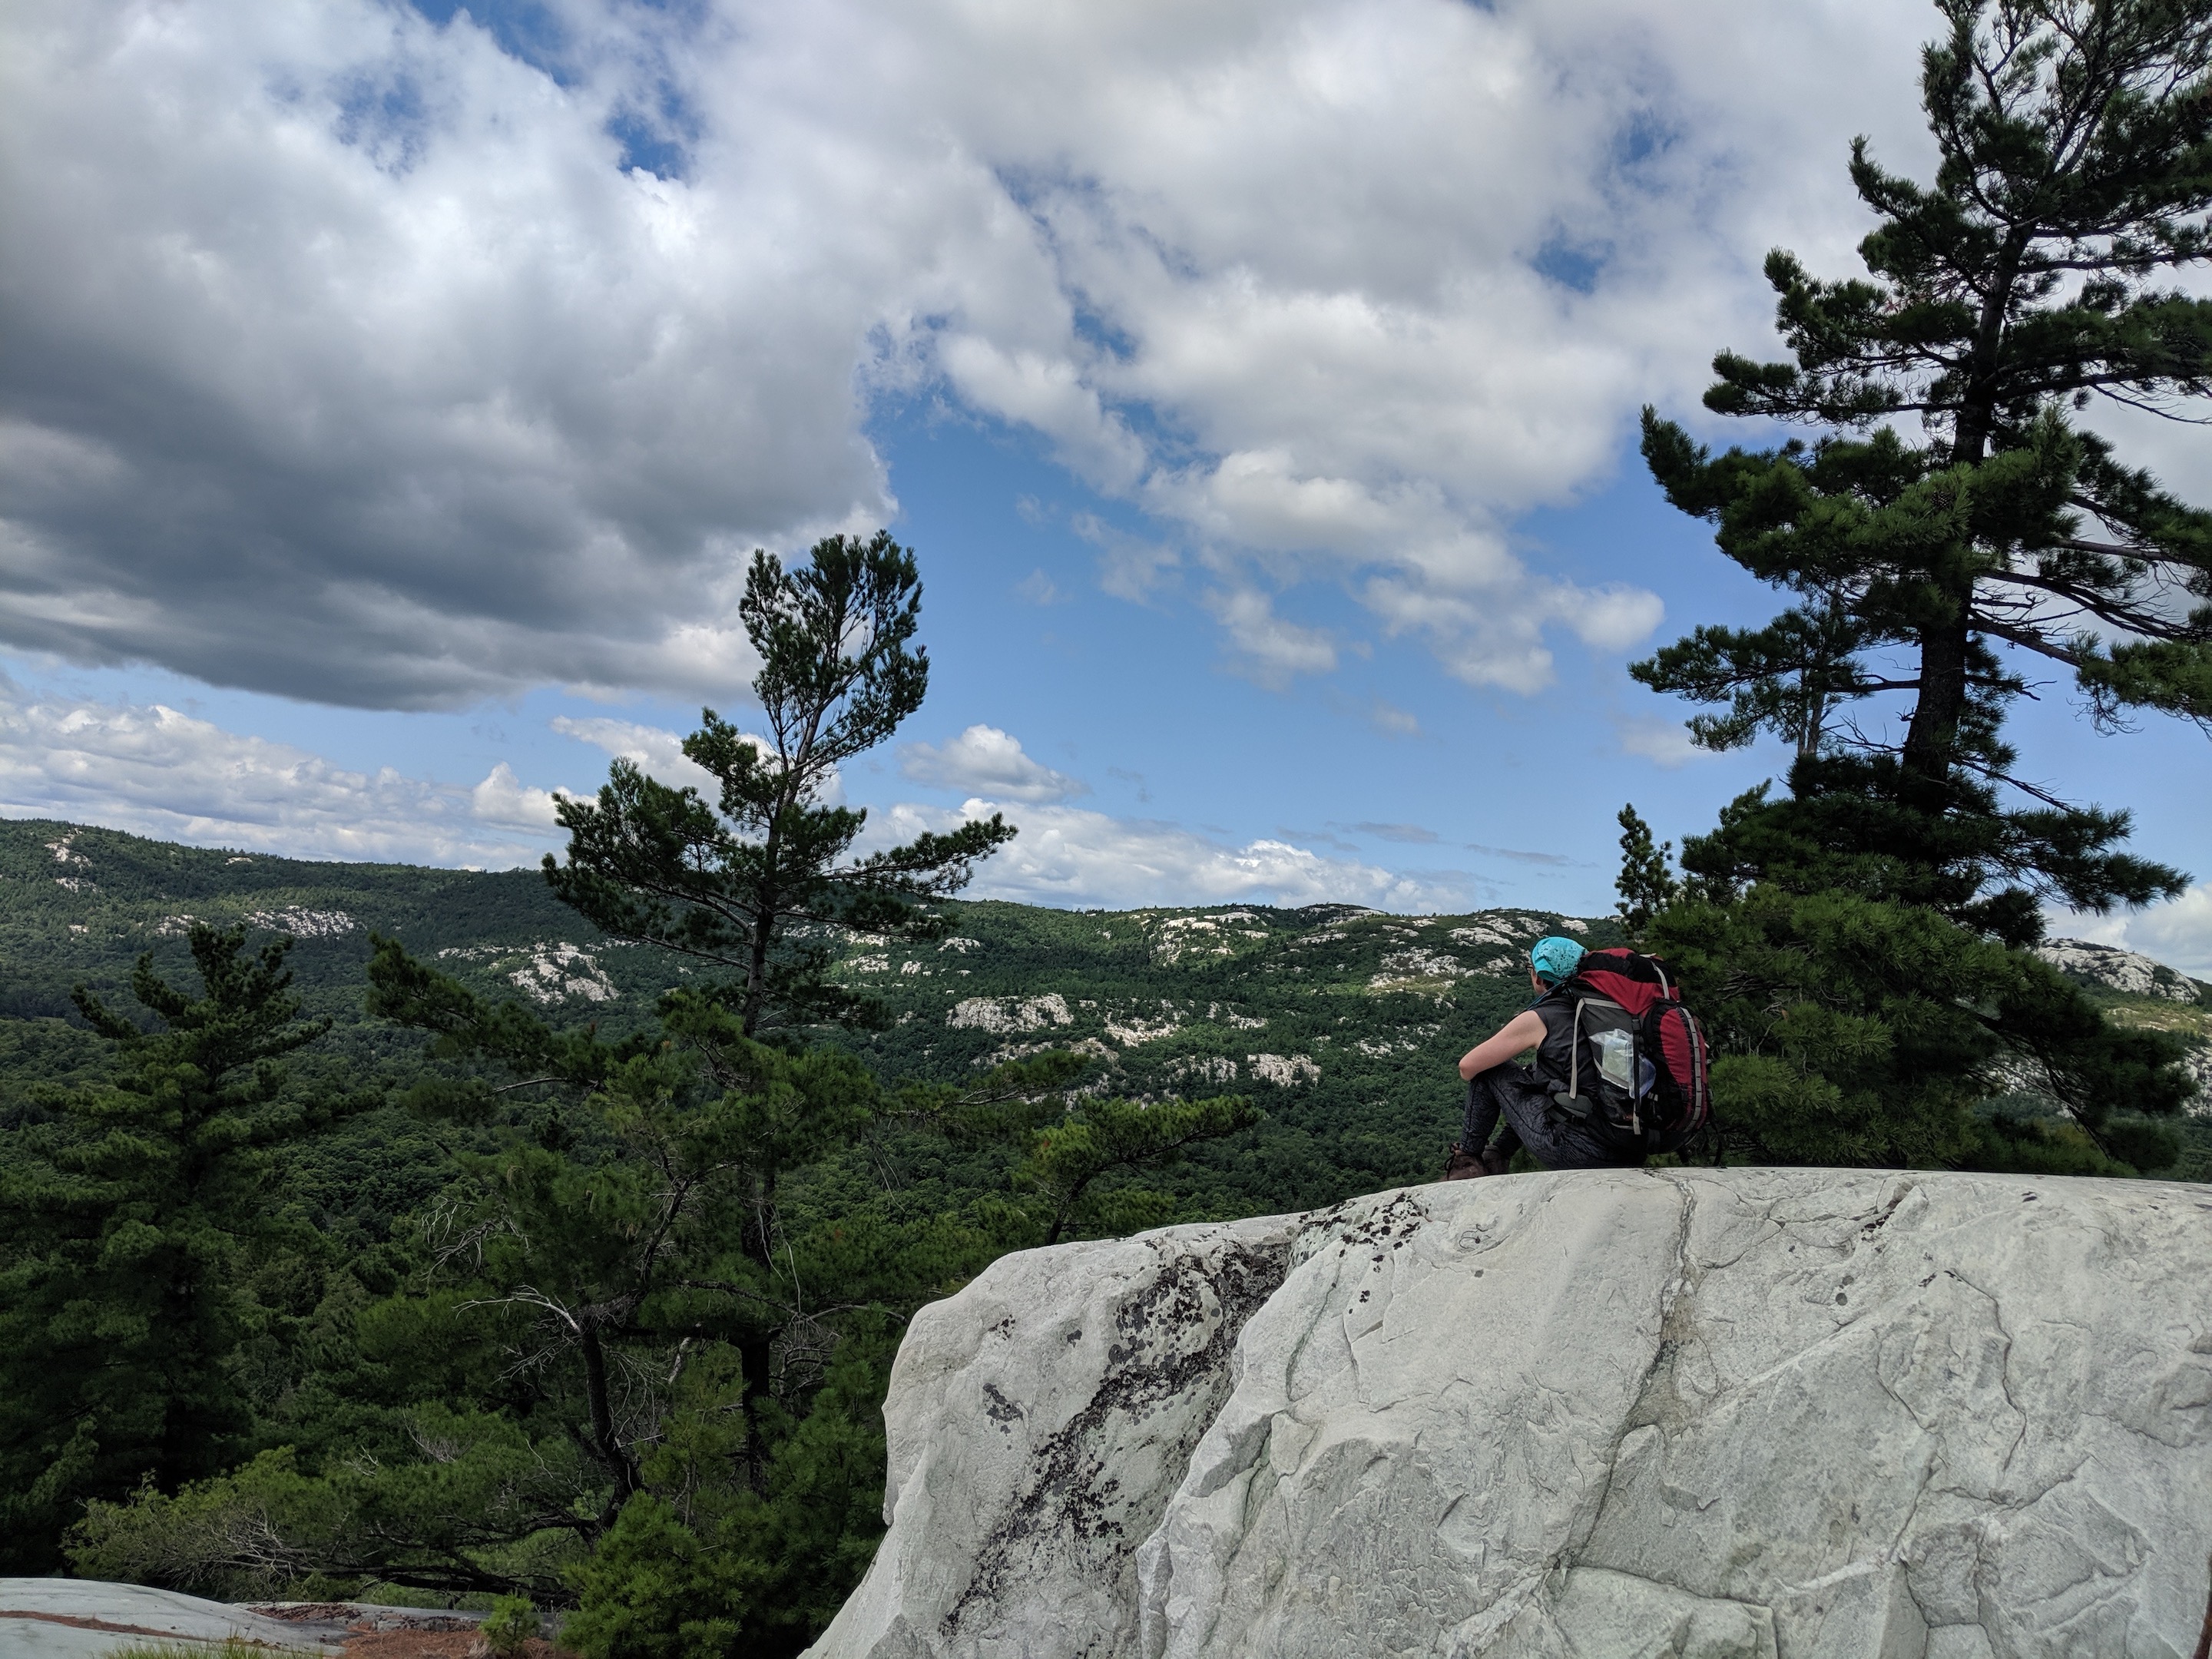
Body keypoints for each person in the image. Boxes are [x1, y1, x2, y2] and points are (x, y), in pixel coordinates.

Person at [1442, 935, 1641, 1177]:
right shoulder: (1604, 1011)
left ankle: (1467, 1161)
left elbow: (1467, 1067)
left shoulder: (1543, 1016)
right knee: (1535, 1075)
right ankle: (1497, 1155)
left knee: (1490, 1071)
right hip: (1629, 1147)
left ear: (1538, 976)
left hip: (1579, 1151)